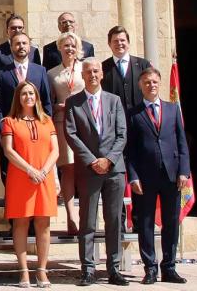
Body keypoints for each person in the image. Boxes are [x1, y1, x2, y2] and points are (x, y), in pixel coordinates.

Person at [64, 58, 129, 287]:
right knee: (87, 222)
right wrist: (93, 161)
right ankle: (88, 269)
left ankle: (113, 268)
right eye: (88, 71)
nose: (92, 74)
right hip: (89, 170)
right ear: (82, 75)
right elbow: (71, 135)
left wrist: (108, 160)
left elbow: (122, 135)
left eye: (95, 71)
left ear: (102, 74)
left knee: (113, 221)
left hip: (114, 170)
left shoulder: (115, 101)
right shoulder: (74, 103)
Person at [126, 68, 190, 285]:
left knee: (171, 222)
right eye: (146, 82)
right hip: (144, 178)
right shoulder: (133, 114)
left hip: (172, 174)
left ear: (160, 83)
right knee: (145, 224)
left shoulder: (172, 110)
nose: (151, 85)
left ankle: (169, 267)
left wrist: (184, 171)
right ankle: (150, 268)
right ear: (140, 85)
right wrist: (133, 176)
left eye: (154, 81)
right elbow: (131, 150)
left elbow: (182, 143)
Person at [2, 81, 59, 288]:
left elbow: (56, 150)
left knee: (43, 224)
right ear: (18, 97)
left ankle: (42, 270)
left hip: (44, 178)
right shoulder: (10, 121)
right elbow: (9, 151)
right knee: (21, 223)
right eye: (24, 94)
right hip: (21, 177)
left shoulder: (47, 121)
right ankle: (23, 270)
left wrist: (43, 171)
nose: (28, 97)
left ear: (37, 97)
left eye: (31, 93)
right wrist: (30, 170)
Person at [0, 32, 53, 183]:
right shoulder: (2, 73)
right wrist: (1, 128)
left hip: (36, 131)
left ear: (30, 47)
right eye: (17, 43)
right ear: (11, 47)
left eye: (24, 43)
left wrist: (45, 126)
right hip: (12, 131)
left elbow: (46, 101)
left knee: (37, 166)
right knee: (9, 170)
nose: (21, 46)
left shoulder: (40, 71)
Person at [46, 31, 85, 234]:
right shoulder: (52, 73)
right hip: (62, 123)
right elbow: (48, 101)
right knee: (68, 169)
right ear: (59, 48)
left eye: (73, 45)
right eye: (65, 45)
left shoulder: (85, 69)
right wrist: (57, 106)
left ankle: (85, 215)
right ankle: (71, 216)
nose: (69, 49)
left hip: (84, 123)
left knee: (84, 167)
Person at [102, 26, 152, 116]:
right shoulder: (103, 67)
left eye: (122, 40)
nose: (119, 43)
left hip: (141, 118)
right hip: (114, 119)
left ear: (128, 43)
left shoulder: (143, 65)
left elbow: (151, 90)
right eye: (115, 41)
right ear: (109, 44)